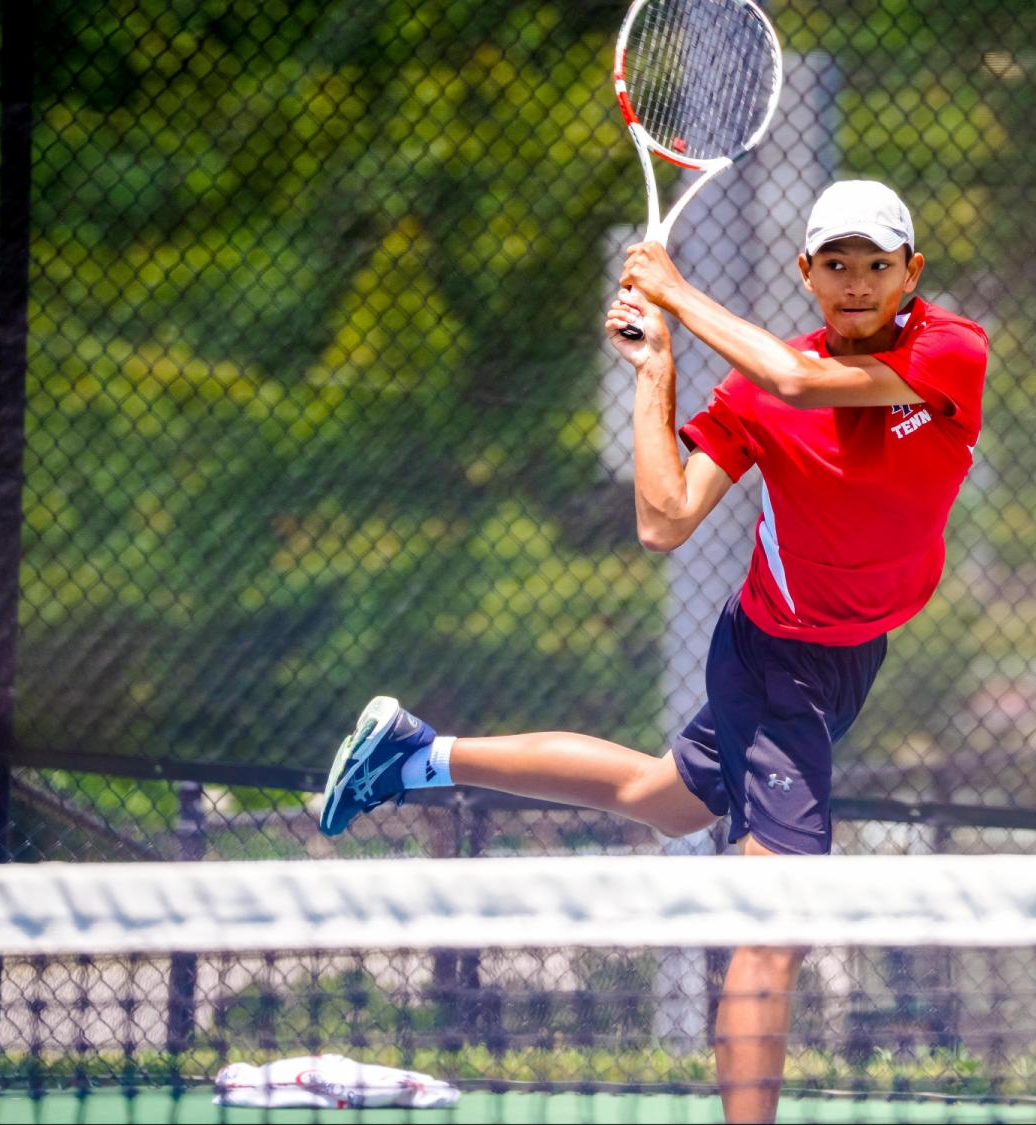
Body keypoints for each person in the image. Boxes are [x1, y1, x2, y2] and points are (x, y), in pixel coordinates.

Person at [318, 179, 989, 1124]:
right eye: (835, 262)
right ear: (806, 273)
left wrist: (676, 290)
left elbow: (806, 383)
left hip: (851, 655)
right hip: (777, 658)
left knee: (660, 798)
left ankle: (419, 754)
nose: (855, 281)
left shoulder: (950, 350)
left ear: (910, 273)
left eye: (876, 263)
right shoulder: (760, 388)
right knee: (779, 924)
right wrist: (654, 371)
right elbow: (665, 517)